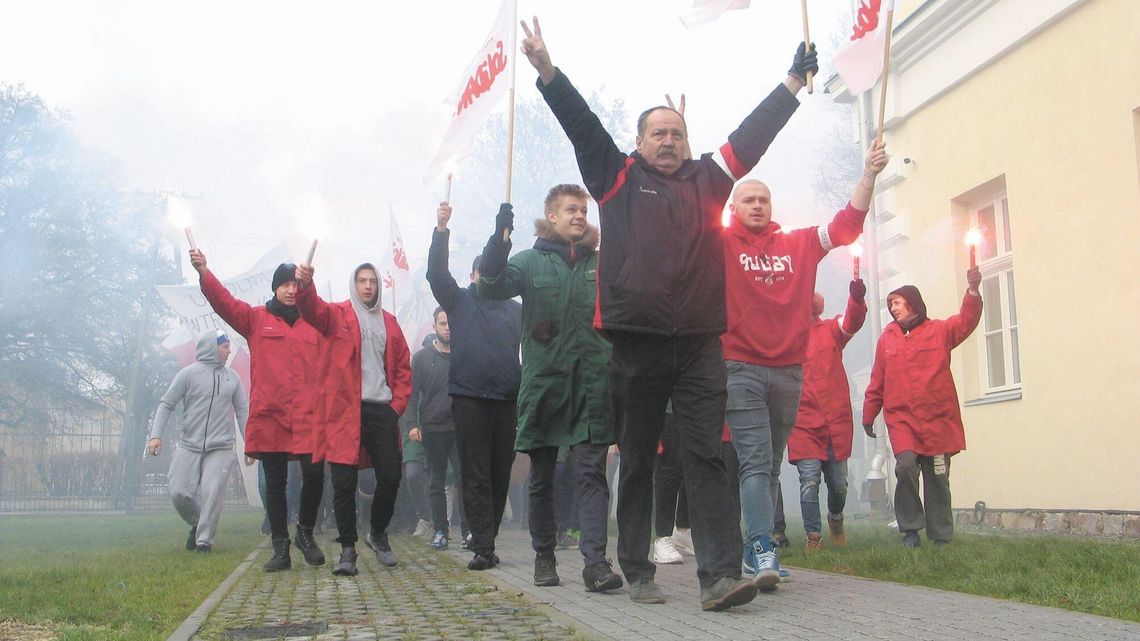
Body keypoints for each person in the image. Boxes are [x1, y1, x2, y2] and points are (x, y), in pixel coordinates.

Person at [519, 16, 815, 610]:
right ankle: (638, 569)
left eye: (677, 133)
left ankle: (718, 577)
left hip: (703, 342)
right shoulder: (615, 176)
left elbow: (751, 138)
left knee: (707, 455)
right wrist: (549, 74)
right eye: (658, 133)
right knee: (637, 459)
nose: (669, 141)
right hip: (635, 343)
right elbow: (581, 123)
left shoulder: (710, 178)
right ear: (640, 140)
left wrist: (791, 85)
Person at [721, 140, 887, 590]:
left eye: (763, 199)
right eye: (747, 199)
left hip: (789, 370)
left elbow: (846, 226)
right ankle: (761, 547)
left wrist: (868, 176)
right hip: (739, 368)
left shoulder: (797, 242)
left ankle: (756, 543)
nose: (756, 205)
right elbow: (684, 219)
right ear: (733, 207)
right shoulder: (721, 242)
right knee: (755, 462)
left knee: (770, 464)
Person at [478, 185, 623, 593]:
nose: (580, 215)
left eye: (583, 210)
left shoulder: (602, 265)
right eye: (571, 210)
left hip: (593, 385)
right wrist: (498, 241)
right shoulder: (527, 262)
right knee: (542, 475)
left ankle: (595, 562)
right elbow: (489, 287)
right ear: (551, 216)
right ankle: (544, 555)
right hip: (546, 385)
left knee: (593, 473)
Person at [191, 251, 326, 572]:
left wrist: (311, 285)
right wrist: (205, 272)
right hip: (272, 414)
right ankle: (281, 546)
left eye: (296, 284)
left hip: (308, 414)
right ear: (275, 288)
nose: (291, 290)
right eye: (285, 285)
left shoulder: (316, 322)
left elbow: (321, 309)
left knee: (315, 474)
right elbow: (224, 303)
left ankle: (305, 533)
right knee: (275, 482)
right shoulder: (256, 318)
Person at [294, 261, 412, 576]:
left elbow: (402, 368)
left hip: (382, 410)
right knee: (344, 481)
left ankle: (377, 532)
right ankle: (348, 549)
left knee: (390, 476)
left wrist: (396, 407)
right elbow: (311, 309)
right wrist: (306, 284)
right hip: (346, 410)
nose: (368, 286)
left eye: (372, 280)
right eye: (362, 280)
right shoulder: (338, 315)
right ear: (354, 284)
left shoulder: (390, 323)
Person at [427, 202, 522, 570]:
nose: (487, 276)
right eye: (482, 270)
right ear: (473, 274)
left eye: (493, 271)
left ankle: (488, 535)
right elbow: (436, 273)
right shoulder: (460, 301)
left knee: (500, 472)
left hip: (506, 399)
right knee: (475, 472)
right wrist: (441, 231)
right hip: (468, 396)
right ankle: (483, 544)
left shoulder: (515, 310)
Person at [862, 269, 982, 547]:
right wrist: (869, 414)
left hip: (938, 419)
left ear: (913, 304)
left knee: (938, 475)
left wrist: (972, 291)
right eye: (890, 304)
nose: (892, 308)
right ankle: (911, 530)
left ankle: (940, 535)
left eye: (897, 302)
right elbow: (877, 380)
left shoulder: (940, 331)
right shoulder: (887, 339)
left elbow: (966, 320)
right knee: (905, 468)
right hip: (902, 419)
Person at [147, 331, 249, 552]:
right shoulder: (187, 375)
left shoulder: (233, 377)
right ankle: (197, 523)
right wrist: (156, 436)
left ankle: (204, 542)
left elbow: (242, 411)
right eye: (224, 347)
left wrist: (250, 443)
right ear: (212, 348)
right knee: (178, 491)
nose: (229, 351)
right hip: (188, 444)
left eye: (229, 347)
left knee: (212, 490)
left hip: (221, 447)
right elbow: (166, 404)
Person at [786, 282, 868, 553]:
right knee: (808, 480)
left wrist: (856, 297)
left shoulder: (832, 330)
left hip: (835, 422)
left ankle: (836, 519)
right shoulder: (787, 337)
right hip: (804, 422)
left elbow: (852, 320)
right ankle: (813, 537)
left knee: (838, 484)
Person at [405, 309, 469, 550]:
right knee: (436, 481)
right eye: (443, 323)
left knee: (465, 479)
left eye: (451, 322)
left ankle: (468, 531)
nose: (447, 327)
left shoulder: (464, 355)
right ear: (434, 326)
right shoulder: (421, 358)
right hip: (432, 428)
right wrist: (412, 424)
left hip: (460, 427)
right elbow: (412, 395)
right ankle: (440, 530)